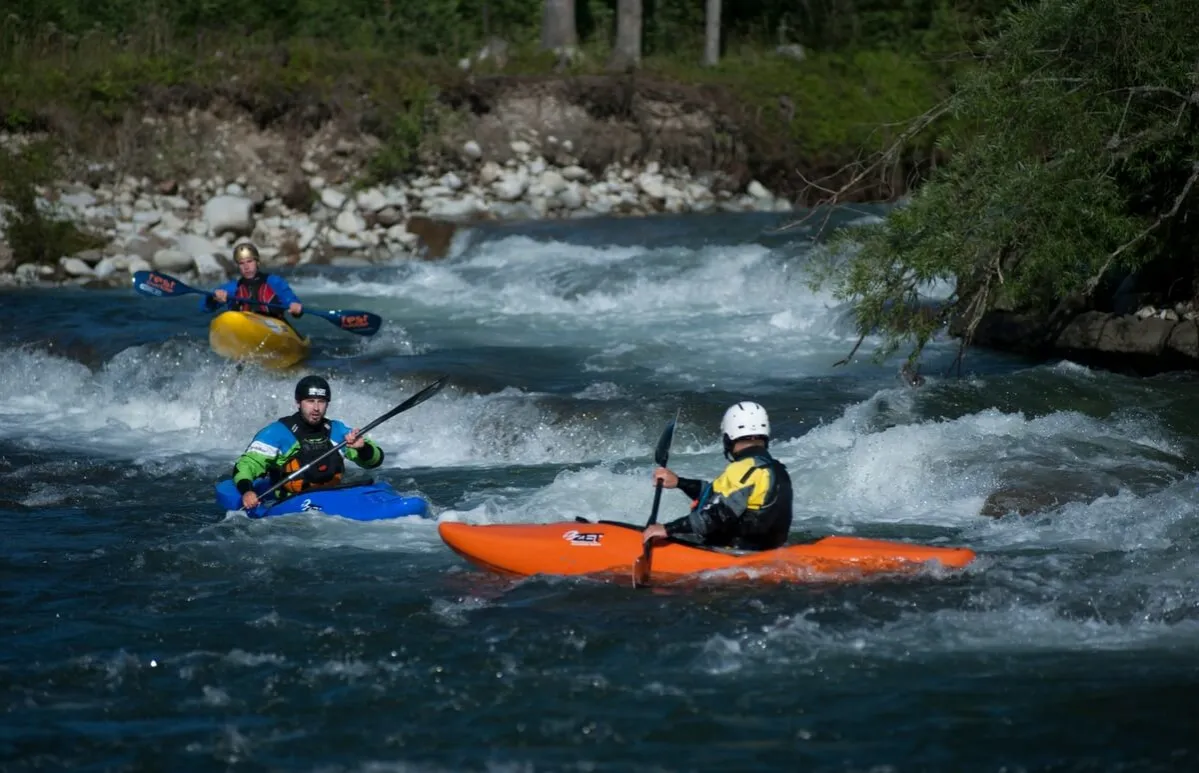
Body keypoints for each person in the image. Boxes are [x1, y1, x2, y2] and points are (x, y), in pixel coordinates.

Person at [642, 402, 793, 551]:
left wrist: (667, 529)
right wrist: (680, 483)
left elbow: (716, 517)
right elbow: (716, 494)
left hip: (733, 552)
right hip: (767, 550)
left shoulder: (743, 469)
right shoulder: (776, 469)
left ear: (728, 438)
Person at [232, 375, 385, 510]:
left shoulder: (337, 430)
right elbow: (246, 465)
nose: (316, 408)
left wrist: (363, 448)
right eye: (310, 401)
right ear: (298, 403)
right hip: (291, 503)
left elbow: (375, 461)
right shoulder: (277, 433)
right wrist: (247, 491)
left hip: (333, 498)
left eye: (321, 402)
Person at [201, 242, 303, 321]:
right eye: (241, 263)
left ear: (257, 262)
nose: (246, 266)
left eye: (250, 261)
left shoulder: (274, 282)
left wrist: (295, 307)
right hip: (243, 327)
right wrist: (213, 298)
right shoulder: (232, 288)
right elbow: (205, 308)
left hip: (273, 325)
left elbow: (291, 301)